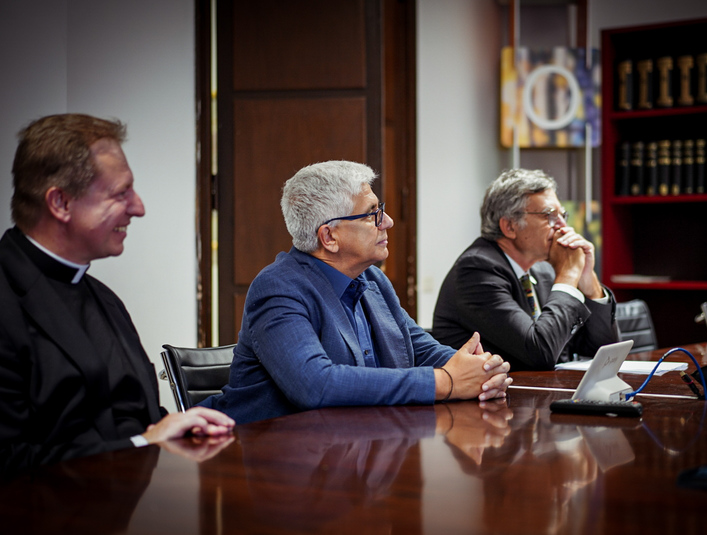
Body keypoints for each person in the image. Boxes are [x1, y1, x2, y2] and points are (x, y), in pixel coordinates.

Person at [0, 114, 234, 476]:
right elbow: (10, 463)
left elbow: (143, 417)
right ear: (60, 202)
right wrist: (144, 443)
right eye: (120, 193)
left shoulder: (104, 299)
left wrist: (182, 429)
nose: (138, 208)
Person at [202, 160, 512, 424]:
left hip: (350, 451)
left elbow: (421, 351)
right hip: (270, 461)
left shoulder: (374, 281)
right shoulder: (278, 288)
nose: (387, 222)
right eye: (371, 214)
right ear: (329, 236)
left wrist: (481, 369)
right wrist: (445, 382)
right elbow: (316, 384)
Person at [432, 168, 619, 371]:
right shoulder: (476, 271)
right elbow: (540, 352)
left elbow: (605, 351)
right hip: (488, 399)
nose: (563, 226)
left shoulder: (542, 271)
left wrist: (587, 279)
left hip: (541, 394)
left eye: (562, 215)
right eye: (549, 216)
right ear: (510, 226)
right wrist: (568, 275)